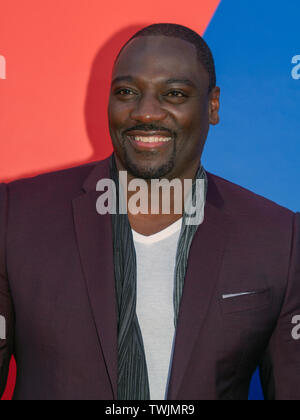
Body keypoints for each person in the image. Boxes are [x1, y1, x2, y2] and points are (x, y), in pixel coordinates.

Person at [0, 23, 299, 401]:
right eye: (127, 92)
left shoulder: (278, 238)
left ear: (212, 106)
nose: (145, 113)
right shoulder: (16, 217)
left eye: (173, 94)